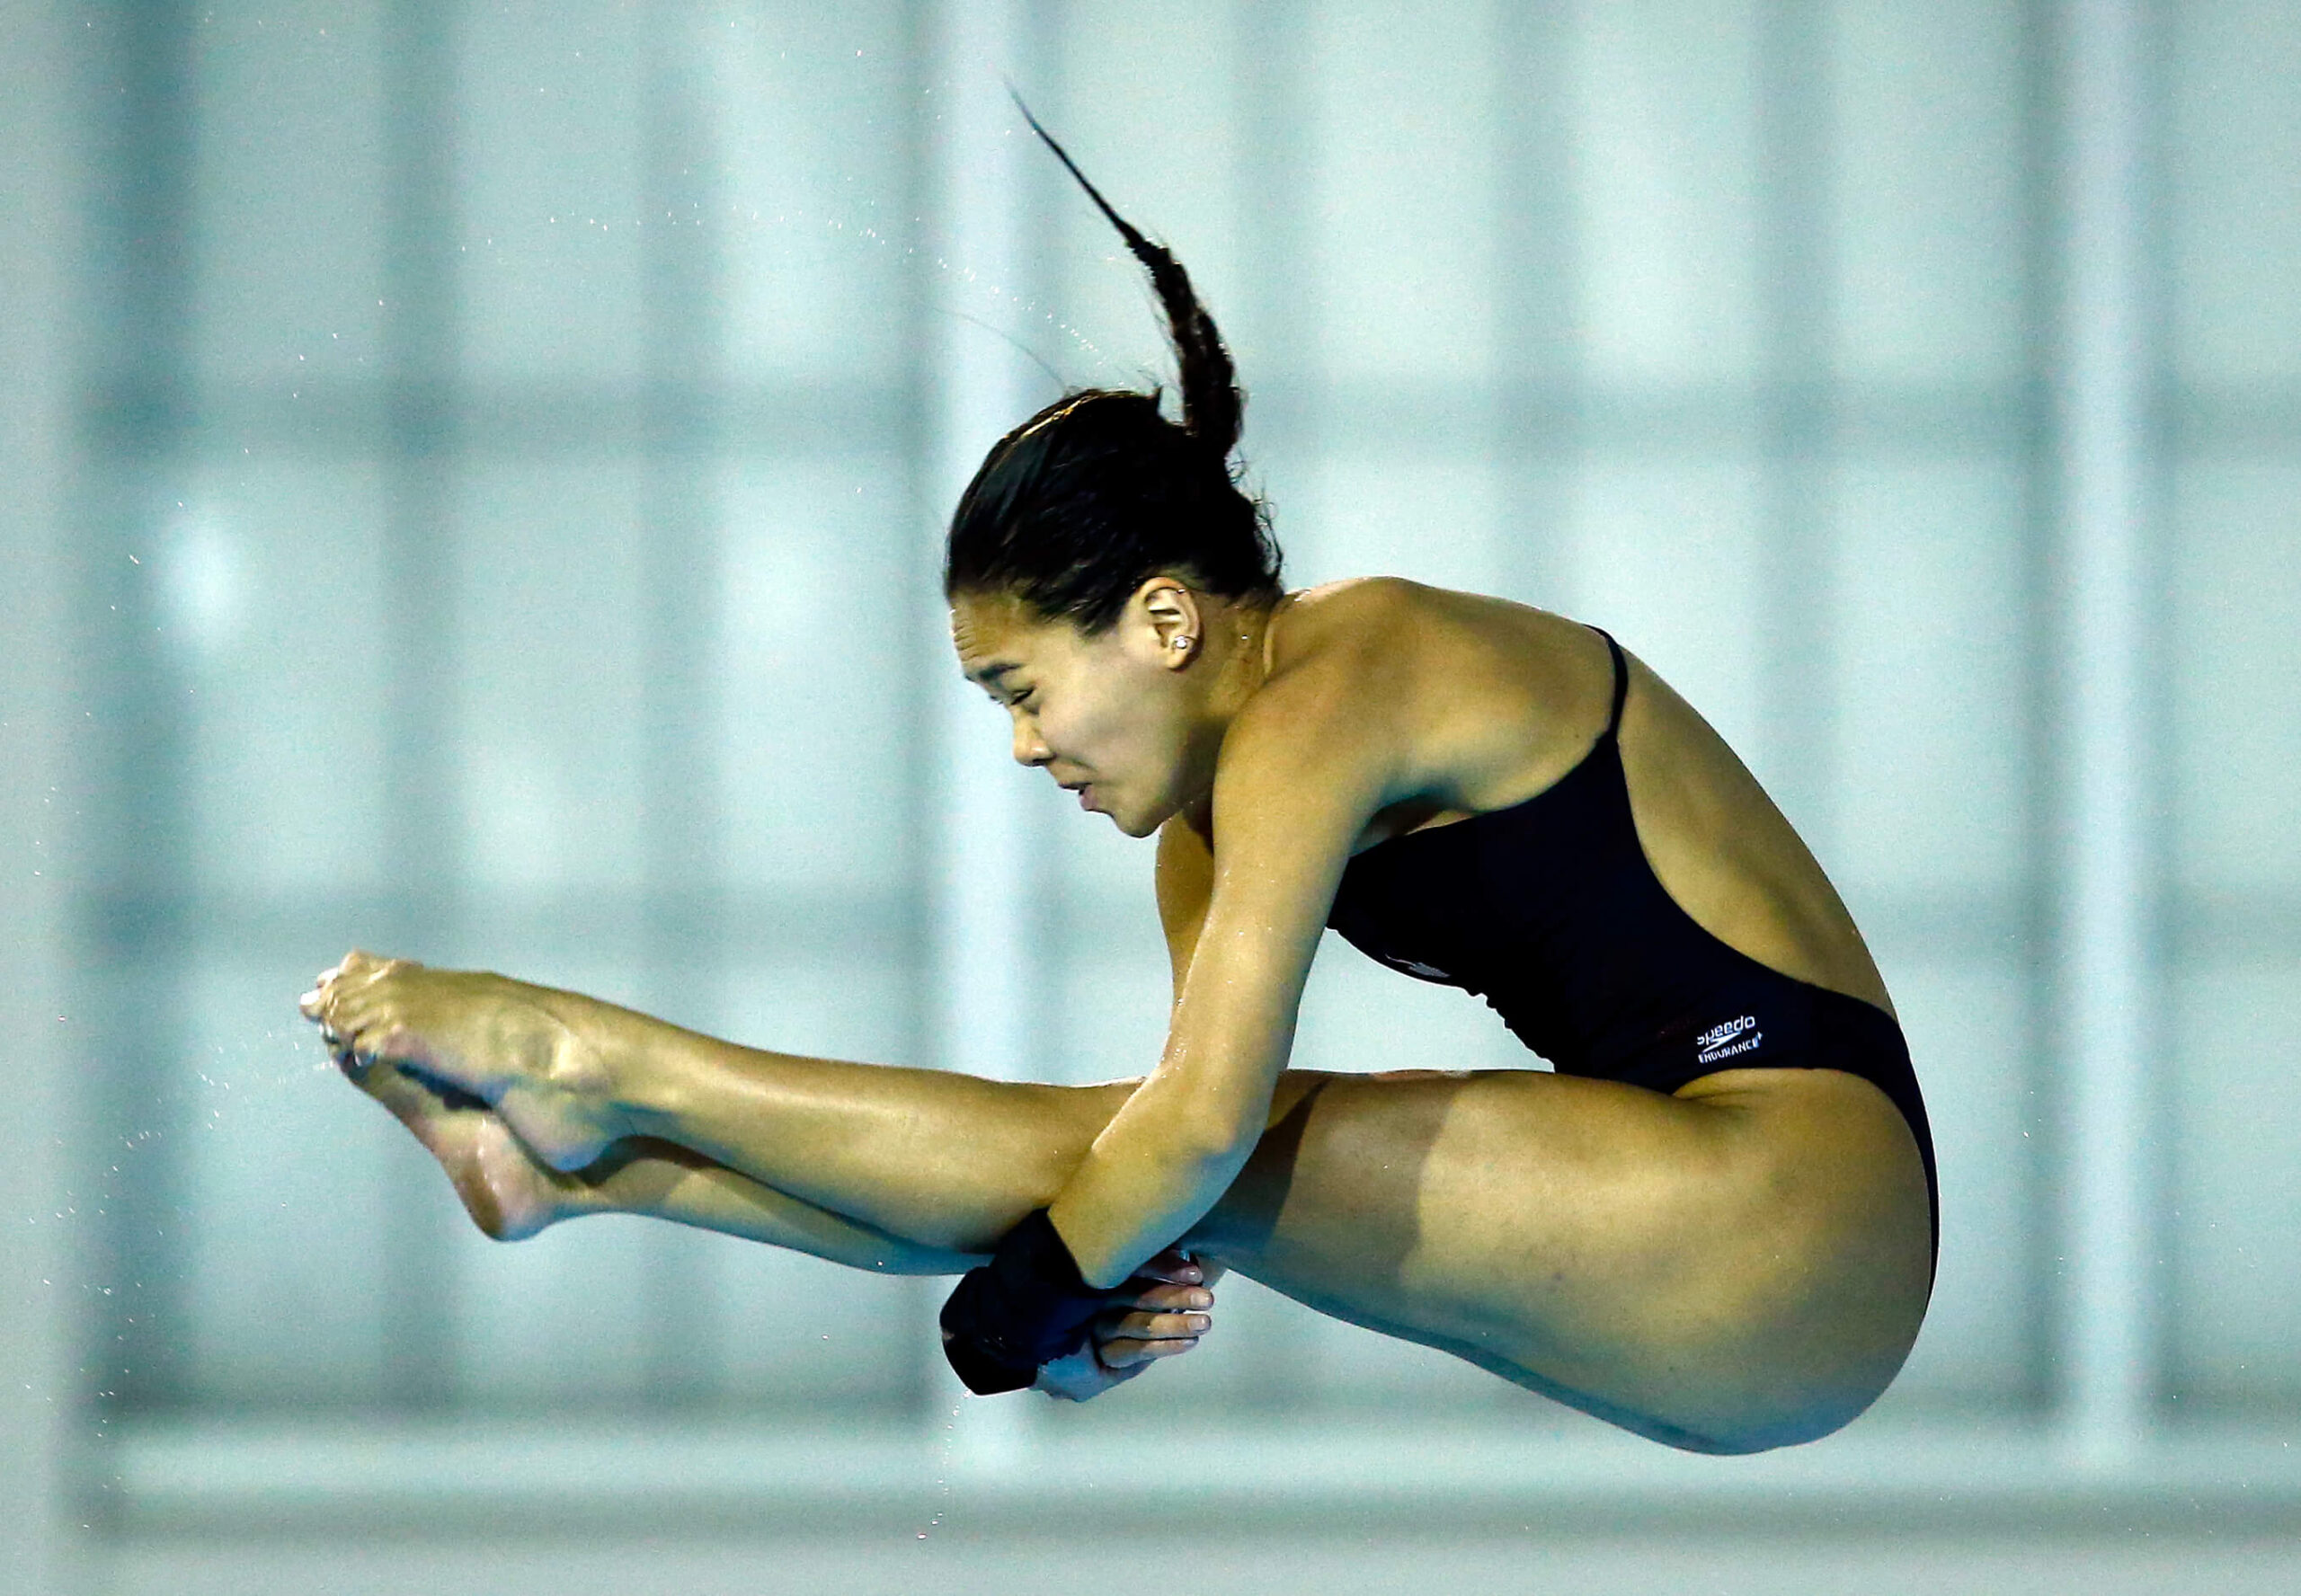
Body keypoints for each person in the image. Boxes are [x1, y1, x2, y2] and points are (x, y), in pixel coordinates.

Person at [301, 120, 1935, 1454]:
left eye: (1022, 692)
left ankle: (584, 1058)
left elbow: (1199, 1128)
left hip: (1792, 1214)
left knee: (1157, 1147)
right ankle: (586, 1173)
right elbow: (1168, 1171)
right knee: (1135, 1162)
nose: (1025, 748)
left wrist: (1035, 1306)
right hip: (1707, 1289)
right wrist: (1091, 1317)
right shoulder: (1206, 839)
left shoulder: (1352, 673)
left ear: (1165, 621)